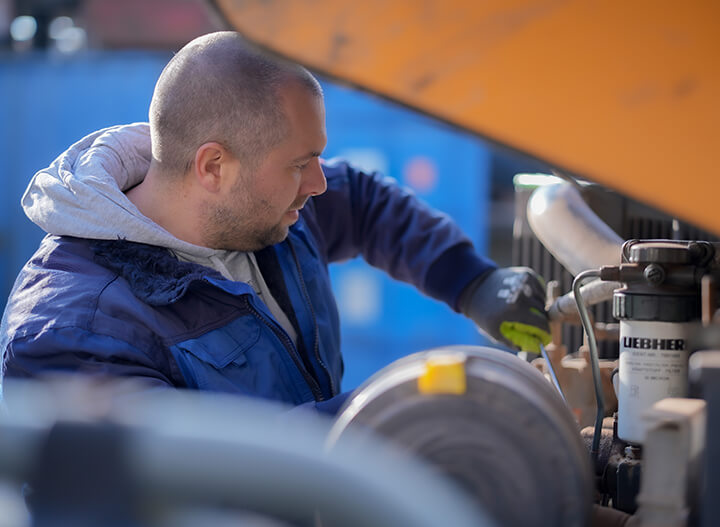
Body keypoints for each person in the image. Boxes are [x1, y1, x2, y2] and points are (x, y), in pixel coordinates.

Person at [0, 32, 550, 412]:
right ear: (213, 166)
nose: (319, 184)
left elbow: (362, 202)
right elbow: (225, 472)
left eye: (316, 158)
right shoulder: (73, 334)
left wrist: (471, 281)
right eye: (298, 164)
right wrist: (405, 410)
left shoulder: (263, 207)